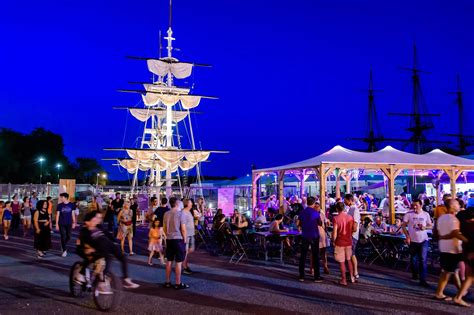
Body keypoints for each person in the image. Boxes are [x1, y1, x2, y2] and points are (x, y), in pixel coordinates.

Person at [76, 211, 139, 293]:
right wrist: (88, 249)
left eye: (99, 218)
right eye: (97, 218)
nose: (98, 220)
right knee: (107, 259)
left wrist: (115, 240)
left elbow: (108, 234)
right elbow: (81, 245)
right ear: (89, 220)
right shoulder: (85, 231)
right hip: (99, 250)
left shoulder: (99, 227)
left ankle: (126, 279)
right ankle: (100, 283)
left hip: (109, 245)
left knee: (123, 257)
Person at [435, 199, 466, 301]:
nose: (459, 205)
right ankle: (440, 293)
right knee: (448, 272)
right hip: (453, 248)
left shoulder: (441, 218)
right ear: (452, 206)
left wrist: (443, 237)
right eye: (456, 204)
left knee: (452, 271)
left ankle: (462, 291)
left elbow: (439, 233)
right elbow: (455, 233)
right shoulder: (454, 219)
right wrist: (467, 240)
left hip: (444, 248)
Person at [402, 199, 433, 287]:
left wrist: (425, 227)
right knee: (413, 259)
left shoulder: (425, 214)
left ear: (421, 205)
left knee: (423, 260)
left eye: (416, 205)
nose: (414, 207)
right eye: (413, 205)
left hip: (423, 240)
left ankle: (423, 279)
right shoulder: (409, 214)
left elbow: (430, 225)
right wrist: (407, 236)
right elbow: (403, 225)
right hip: (412, 240)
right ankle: (415, 274)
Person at [163, 197, 189, 289]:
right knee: (178, 262)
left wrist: (168, 236)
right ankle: (178, 283)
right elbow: (183, 229)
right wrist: (185, 240)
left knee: (169, 261)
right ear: (177, 204)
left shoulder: (166, 214)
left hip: (169, 239)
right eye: (181, 203)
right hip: (178, 239)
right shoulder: (181, 214)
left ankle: (167, 281)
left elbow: (165, 229)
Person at [297, 196, 323, 283]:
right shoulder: (315, 213)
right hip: (314, 235)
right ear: (314, 203)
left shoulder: (302, 212)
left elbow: (299, 223)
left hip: (305, 235)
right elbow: (320, 223)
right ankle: (317, 276)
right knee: (315, 256)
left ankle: (301, 275)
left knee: (303, 255)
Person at [453, 205, 474, 307]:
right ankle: (459, 297)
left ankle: (459, 296)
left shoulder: (463, 226)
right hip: (471, 253)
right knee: (470, 276)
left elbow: (456, 233)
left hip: (467, 252)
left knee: (470, 276)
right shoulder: (472, 225)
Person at [333, 201, 356, 286]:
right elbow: (353, 228)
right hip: (348, 241)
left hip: (340, 241)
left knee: (342, 262)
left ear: (337, 209)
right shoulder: (350, 217)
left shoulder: (336, 218)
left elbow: (335, 232)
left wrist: (333, 240)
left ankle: (344, 280)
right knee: (349, 260)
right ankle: (352, 277)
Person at [55, 192, 77, 257]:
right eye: (61, 197)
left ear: (66, 198)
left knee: (68, 236)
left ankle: (63, 243)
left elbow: (73, 214)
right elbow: (57, 215)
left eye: (62, 197)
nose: (61, 198)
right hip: (61, 223)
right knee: (62, 236)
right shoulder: (59, 205)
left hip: (69, 223)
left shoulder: (71, 205)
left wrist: (74, 222)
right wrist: (56, 224)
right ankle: (64, 250)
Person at [345, 194, 361, 280]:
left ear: (349, 200)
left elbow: (355, 224)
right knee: (350, 254)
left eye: (345, 200)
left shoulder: (355, 210)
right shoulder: (350, 209)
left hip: (352, 235)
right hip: (350, 235)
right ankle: (351, 271)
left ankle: (355, 271)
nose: (344, 202)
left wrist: (351, 234)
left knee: (352, 254)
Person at [181, 199, 195, 275]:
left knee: (191, 249)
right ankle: (184, 266)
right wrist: (184, 236)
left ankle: (184, 264)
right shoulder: (183, 212)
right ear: (187, 204)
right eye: (190, 202)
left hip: (191, 234)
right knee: (185, 252)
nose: (192, 204)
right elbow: (182, 226)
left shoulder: (189, 211)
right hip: (187, 235)